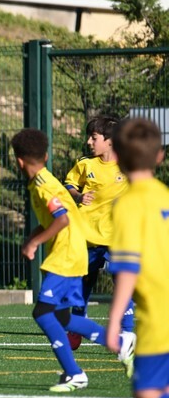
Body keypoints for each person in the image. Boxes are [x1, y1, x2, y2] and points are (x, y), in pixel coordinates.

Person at [12, 128, 131, 392]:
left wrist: (34, 243)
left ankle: (74, 373)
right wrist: (33, 236)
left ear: (19, 161)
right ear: (45, 156)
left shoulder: (44, 185)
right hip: (74, 252)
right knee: (63, 318)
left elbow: (62, 219)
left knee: (42, 312)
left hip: (65, 256)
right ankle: (121, 344)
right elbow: (53, 218)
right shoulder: (42, 181)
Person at [106, 118, 169, 398]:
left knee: (146, 391)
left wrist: (114, 321)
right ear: (159, 156)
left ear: (117, 158)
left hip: (158, 316)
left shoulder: (128, 204)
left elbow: (128, 269)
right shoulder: (164, 194)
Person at [63, 115, 135, 352]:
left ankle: (128, 332)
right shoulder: (86, 164)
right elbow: (69, 185)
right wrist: (78, 196)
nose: (88, 142)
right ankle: (77, 326)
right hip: (88, 236)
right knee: (82, 284)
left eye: (94, 137)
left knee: (122, 281)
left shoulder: (127, 165)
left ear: (110, 140)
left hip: (117, 238)